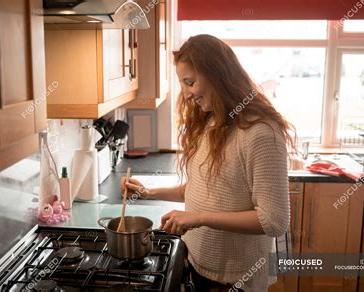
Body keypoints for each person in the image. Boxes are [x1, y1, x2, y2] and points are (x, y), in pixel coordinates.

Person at [121, 34, 296, 291]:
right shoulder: (210, 121)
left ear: (218, 74)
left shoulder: (260, 132)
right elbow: (202, 189)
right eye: (183, 85)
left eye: (190, 82)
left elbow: (273, 221)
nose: (188, 94)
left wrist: (197, 218)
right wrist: (148, 193)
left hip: (235, 276)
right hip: (198, 264)